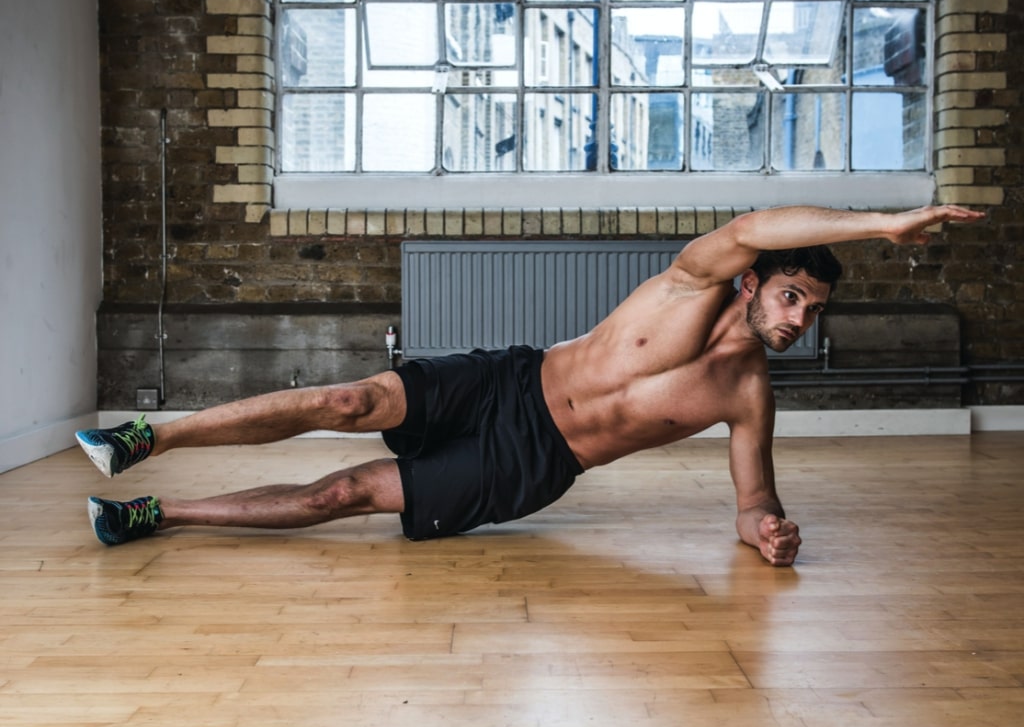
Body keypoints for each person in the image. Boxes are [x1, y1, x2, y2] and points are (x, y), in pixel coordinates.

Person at [76, 204, 984, 566]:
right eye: (793, 297)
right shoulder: (688, 285)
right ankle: (143, 439)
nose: (797, 321)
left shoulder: (749, 394)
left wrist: (771, 536)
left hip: (531, 461)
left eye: (812, 313)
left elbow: (754, 501)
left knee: (340, 492)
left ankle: (161, 515)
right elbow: (752, 223)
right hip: (507, 381)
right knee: (343, 402)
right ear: (753, 281)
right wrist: (881, 223)